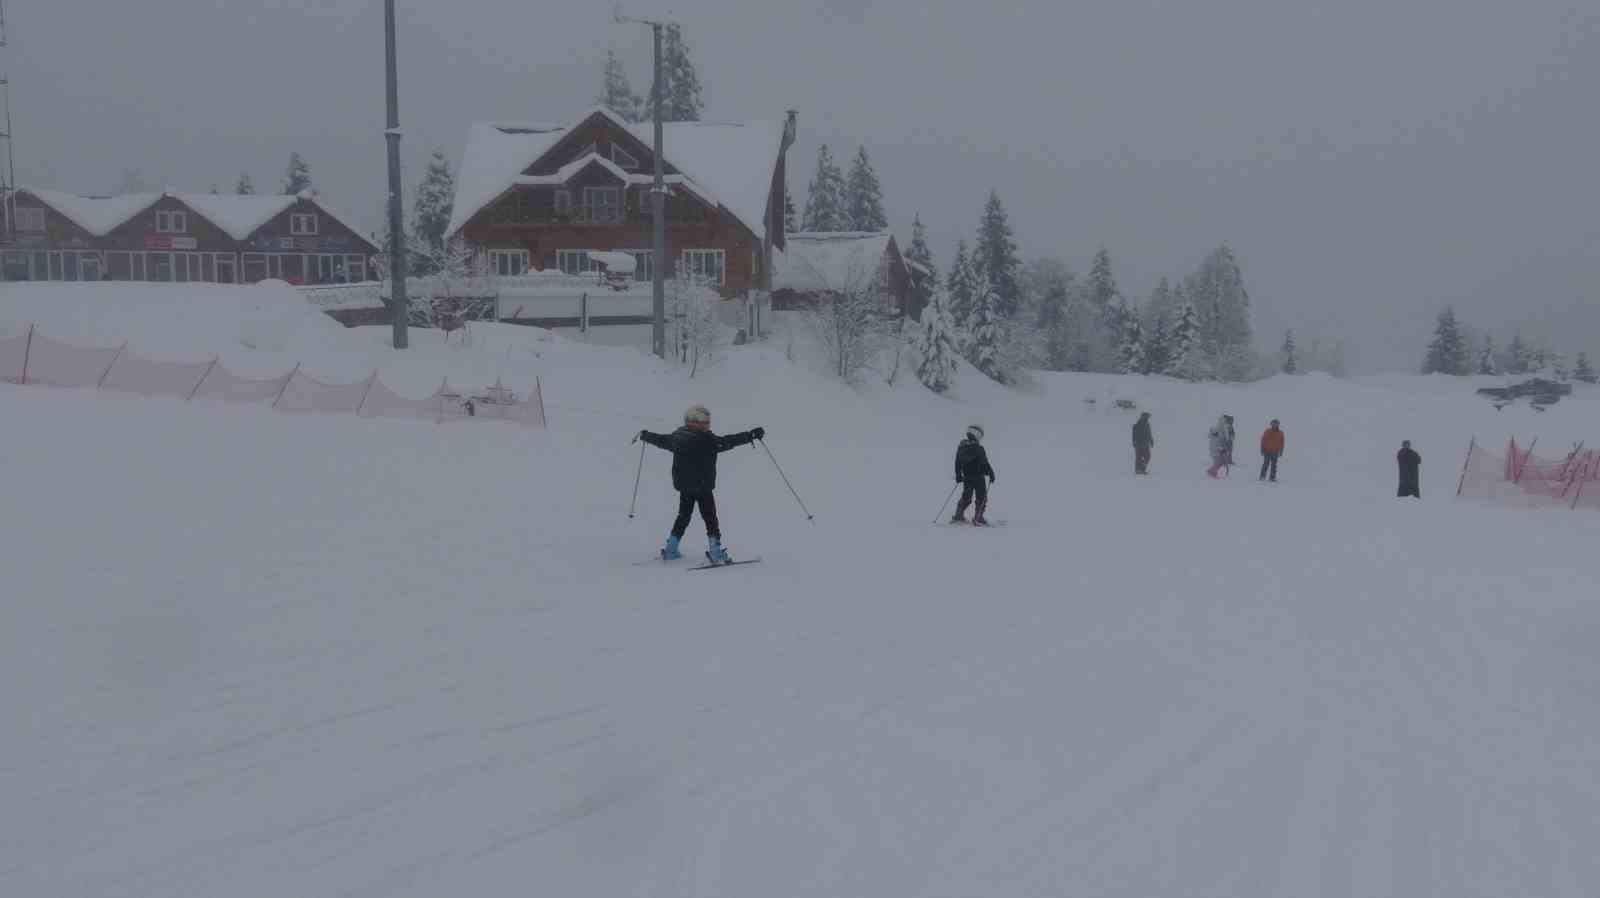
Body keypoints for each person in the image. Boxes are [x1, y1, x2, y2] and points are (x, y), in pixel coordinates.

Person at [639, 405, 764, 562]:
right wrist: (751, 435)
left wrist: (645, 435)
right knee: (710, 517)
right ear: (693, 422)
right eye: (704, 422)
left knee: (683, 516)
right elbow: (728, 441)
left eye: (708, 422)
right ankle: (715, 551)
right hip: (703, 486)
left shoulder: (676, 438)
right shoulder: (707, 440)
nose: (707, 425)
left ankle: (671, 548)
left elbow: (660, 440)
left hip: (685, 485)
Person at [951, 425, 996, 525]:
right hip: (979, 477)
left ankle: (958, 515)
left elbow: (957, 462)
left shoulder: (961, 447)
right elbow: (984, 463)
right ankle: (978, 517)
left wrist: (958, 475)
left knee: (966, 496)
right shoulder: (979, 448)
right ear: (977, 435)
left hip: (967, 477)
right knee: (981, 497)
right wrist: (991, 473)